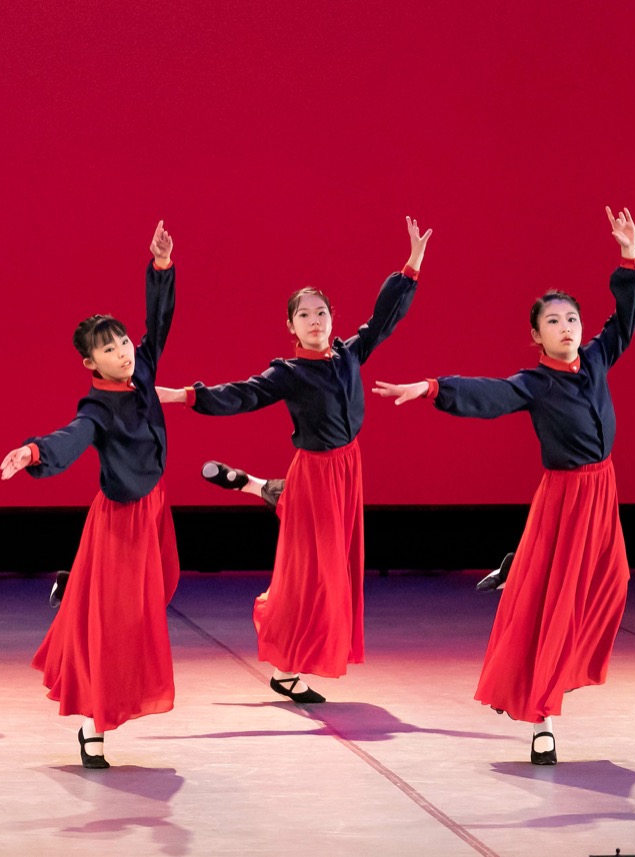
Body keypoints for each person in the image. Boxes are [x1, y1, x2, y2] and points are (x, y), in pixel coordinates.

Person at [372, 207, 635, 765]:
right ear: (536, 335)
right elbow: (488, 394)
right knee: (553, 611)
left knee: (613, 581)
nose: (566, 327)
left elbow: (625, 320)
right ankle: (542, 720)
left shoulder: (596, 359)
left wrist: (629, 258)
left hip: (603, 492)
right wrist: (431, 388)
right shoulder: (535, 383)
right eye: (554, 321)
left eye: (572, 319)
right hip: (565, 498)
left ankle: (519, 570)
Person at [157, 217, 431, 703]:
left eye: (321, 312)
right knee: (317, 574)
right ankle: (280, 642)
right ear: (291, 326)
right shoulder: (288, 373)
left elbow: (384, 319)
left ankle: (257, 486)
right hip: (316, 471)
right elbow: (242, 394)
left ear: (332, 319)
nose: (315, 320)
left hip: (349, 469)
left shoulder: (350, 354)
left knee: (332, 567)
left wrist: (411, 265)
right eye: (304, 315)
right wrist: (186, 396)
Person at [0, 220, 177, 769]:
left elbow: (159, 322)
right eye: (108, 349)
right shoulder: (97, 407)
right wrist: (33, 451)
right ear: (89, 363)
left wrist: (161, 268)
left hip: (155, 509)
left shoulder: (142, 371)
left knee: (153, 603)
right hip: (120, 520)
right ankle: (92, 725)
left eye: (122, 342)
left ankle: (74, 583)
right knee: (113, 626)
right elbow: (72, 437)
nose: (122, 352)